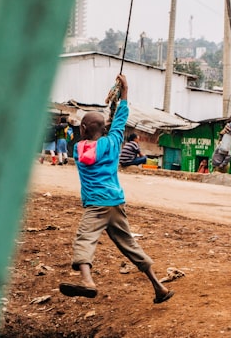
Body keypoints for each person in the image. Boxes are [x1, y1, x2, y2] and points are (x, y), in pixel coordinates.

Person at [59, 73, 174, 304]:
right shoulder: (112, 144)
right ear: (103, 129)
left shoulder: (78, 149)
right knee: (129, 244)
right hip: (116, 203)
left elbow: (102, 131)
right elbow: (119, 121)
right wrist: (124, 92)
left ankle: (88, 282)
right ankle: (159, 287)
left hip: (95, 205)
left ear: (82, 129)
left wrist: (106, 118)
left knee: (85, 239)